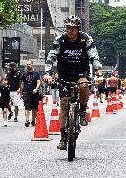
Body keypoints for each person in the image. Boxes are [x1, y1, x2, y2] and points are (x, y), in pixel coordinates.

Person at [43, 15, 102, 150]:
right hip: (64, 73)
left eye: (73, 28)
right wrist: (47, 73)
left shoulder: (85, 39)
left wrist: (98, 72)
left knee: (84, 86)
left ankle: (82, 110)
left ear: (77, 28)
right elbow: (51, 56)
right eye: (68, 28)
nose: (70, 31)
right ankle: (63, 138)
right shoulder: (60, 39)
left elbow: (93, 55)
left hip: (81, 72)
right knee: (64, 102)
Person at [20, 60, 41, 127]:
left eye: (29, 64)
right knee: (27, 107)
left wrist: (36, 89)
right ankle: (27, 120)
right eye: (27, 64)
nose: (28, 65)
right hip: (26, 92)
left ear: (32, 65)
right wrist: (21, 92)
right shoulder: (24, 74)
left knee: (34, 107)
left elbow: (38, 82)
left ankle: (33, 120)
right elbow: (22, 83)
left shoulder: (36, 73)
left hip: (34, 93)